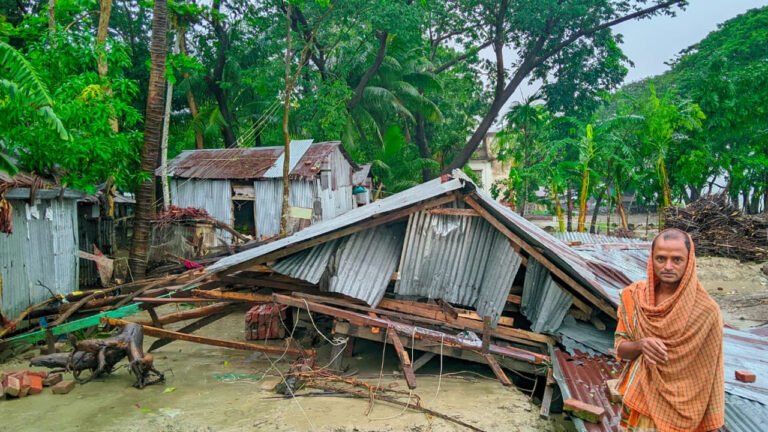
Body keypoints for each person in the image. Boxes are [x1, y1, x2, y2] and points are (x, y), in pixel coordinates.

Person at [614, 228, 724, 432]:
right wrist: (641, 345)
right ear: (651, 259)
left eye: (677, 260)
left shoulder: (706, 311)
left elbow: (709, 374)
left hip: (687, 409)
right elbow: (620, 349)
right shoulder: (635, 297)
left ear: (689, 261)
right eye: (661, 258)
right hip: (642, 402)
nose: (668, 266)